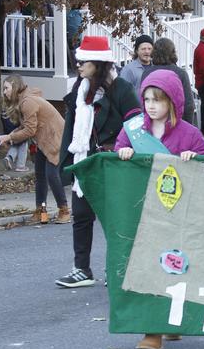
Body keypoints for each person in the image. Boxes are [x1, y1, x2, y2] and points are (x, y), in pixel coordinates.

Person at [115, 69, 204, 349]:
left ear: (173, 101)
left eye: (158, 99)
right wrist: (124, 153)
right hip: (144, 210)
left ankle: (172, 318)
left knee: (177, 265)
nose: (151, 105)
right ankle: (152, 329)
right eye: (147, 99)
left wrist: (195, 158)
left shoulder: (189, 133)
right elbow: (119, 149)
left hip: (179, 212)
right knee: (148, 268)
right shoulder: (132, 128)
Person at [56, 36, 141, 288]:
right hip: (85, 161)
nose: (78, 66)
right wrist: (65, 162)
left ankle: (118, 268)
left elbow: (136, 125)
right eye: (77, 61)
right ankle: (82, 269)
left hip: (112, 162)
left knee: (113, 218)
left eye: (84, 61)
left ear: (99, 63)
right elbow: (71, 130)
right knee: (81, 216)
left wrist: (121, 149)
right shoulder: (78, 90)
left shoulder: (121, 89)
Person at [0, 74, 70, 224]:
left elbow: (29, 130)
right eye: (3, 88)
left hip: (54, 138)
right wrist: (9, 136)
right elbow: (26, 127)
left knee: (51, 175)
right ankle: (41, 212)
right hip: (43, 140)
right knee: (40, 176)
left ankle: (64, 210)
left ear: (15, 86)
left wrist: (9, 138)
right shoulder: (24, 100)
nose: (4, 92)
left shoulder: (27, 102)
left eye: (6, 88)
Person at [140, 38, 195, 126]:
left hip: (153, 123)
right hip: (175, 123)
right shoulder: (180, 73)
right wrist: (187, 126)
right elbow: (188, 105)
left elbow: (142, 101)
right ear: (173, 52)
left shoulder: (147, 73)